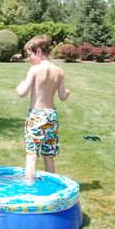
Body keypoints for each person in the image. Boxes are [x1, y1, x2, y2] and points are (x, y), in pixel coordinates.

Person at [16, 35, 70, 182]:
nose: (28, 59)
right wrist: (67, 93)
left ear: (39, 52)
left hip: (37, 115)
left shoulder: (35, 69)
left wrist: (19, 85)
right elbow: (62, 96)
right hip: (52, 116)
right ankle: (51, 186)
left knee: (31, 154)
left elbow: (22, 93)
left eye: (29, 55)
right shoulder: (59, 71)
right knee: (48, 155)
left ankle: (29, 186)